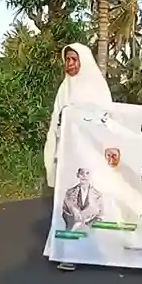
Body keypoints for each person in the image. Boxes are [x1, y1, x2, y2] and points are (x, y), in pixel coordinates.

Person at [44, 42, 112, 270]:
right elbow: (56, 119)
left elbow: (106, 118)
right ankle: (63, 250)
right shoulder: (65, 87)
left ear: (84, 61)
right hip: (66, 155)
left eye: (74, 59)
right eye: (67, 59)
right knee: (66, 205)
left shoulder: (96, 86)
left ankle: (82, 252)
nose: (70, 64)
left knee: (88, 206)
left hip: (87, 155)